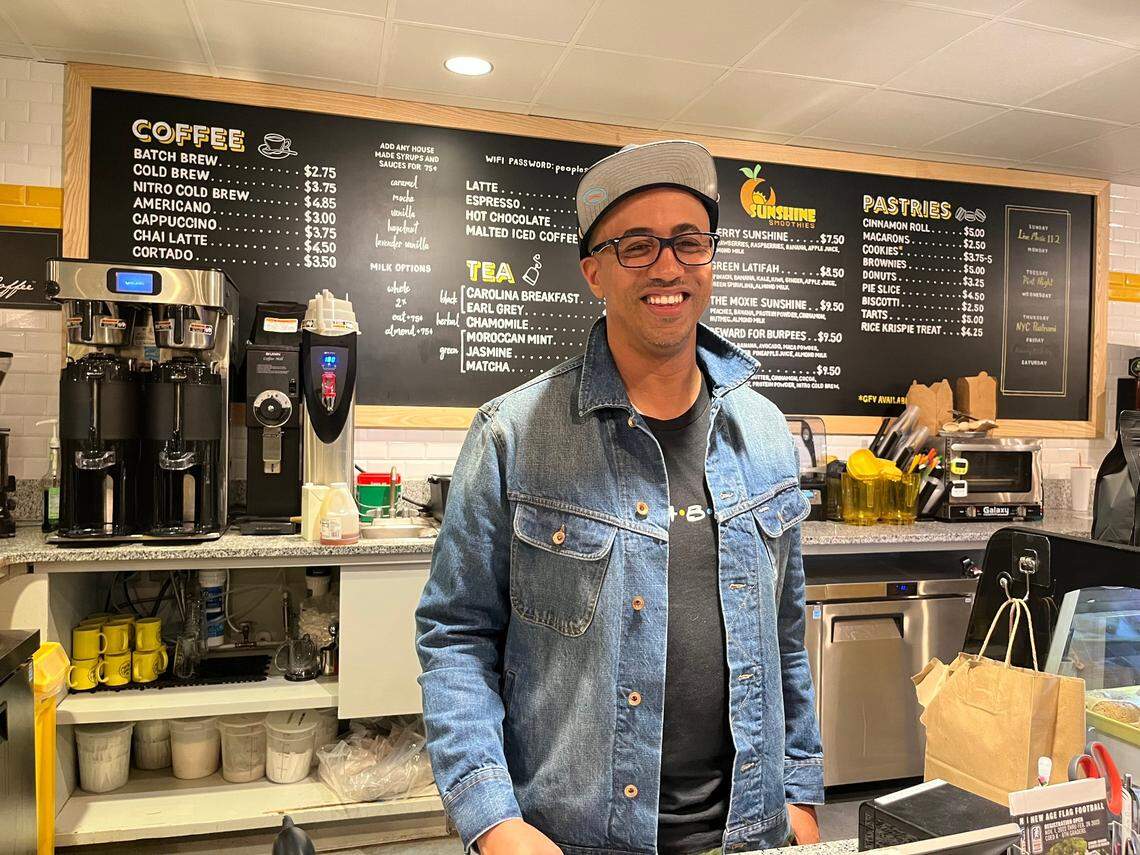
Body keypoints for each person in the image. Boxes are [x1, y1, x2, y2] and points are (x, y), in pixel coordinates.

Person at [416, 140, 823, 855]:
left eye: (689, 242)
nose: (668, 266)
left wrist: (801, 796)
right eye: (637, 246)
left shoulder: (764, 433)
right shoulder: (513, 436)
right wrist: (493, 821)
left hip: (752, 835)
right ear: (593, 271)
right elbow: (456, 636)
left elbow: (787, 639)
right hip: (569, 840)